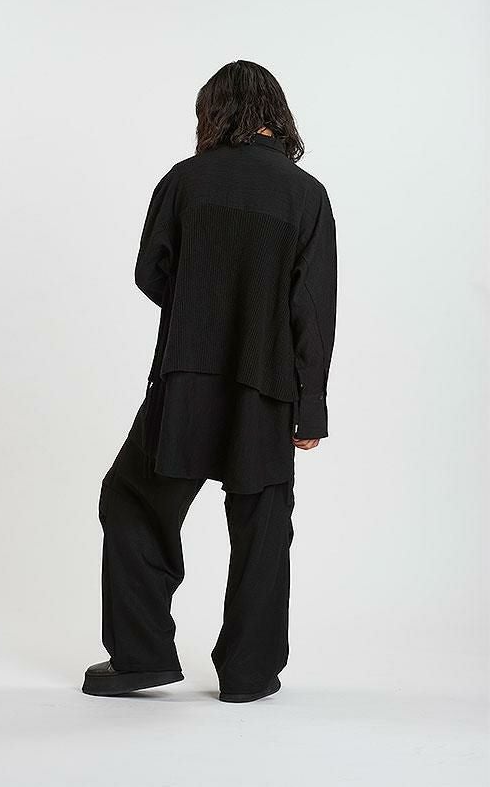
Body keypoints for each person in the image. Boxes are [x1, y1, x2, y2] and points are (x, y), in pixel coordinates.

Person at [82, 60, 337, 703]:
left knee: (133, 499)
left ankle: (141, 658)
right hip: (266, 386)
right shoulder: (306, 195)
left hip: (187, 380)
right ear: (277, 113)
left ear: (214, 113)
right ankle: (249, 674)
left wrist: (201, 309)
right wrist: (310, 407)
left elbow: (150, 272)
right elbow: (313, 308)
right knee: (262, 523)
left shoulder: (185, 181)